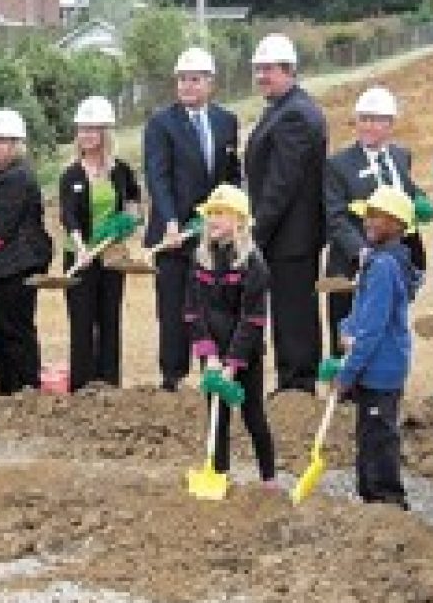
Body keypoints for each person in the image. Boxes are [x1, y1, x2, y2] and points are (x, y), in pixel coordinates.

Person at [143, 47, 240, 391]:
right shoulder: (161, 124)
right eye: (182, 79)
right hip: (172, 233)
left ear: (210, 83)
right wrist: (170, 220)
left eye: (194, 79)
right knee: (172, 306)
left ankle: (209, 371)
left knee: (209, 303)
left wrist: (230, 217)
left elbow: (230, 176)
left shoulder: (226, 122)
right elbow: (158, 176)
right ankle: (173, 376)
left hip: (209, 233)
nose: (187, 85)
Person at [245, 33, 327, 395]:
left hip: (291, 236)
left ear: (289, 70)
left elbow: (282, 184)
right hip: (288, 235)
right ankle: (294, 378)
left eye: (269, 69)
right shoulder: (284, 108)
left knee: (293, 312)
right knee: (289, 308)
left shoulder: (294, 115)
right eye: (258, 69)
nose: (262, 76)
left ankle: (298, 383)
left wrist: (255, 232)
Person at [324, 86, 428, 356]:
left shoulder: (401, 157)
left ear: (390, 124)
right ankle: (344, 394)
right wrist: (360, 251)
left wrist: (421, 202)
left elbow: (406, 193)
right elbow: (335, 217)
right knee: (348, 335)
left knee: (387, 328)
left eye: (376, 119)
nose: (368, 126)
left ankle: (383, 391)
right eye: (363, 119)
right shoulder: (338, 165)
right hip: (350, 268)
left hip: (394, 264)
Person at [334, 187, 422, 508]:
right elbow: (360, 312)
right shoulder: (375, 261)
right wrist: (346, 329)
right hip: (372, 365)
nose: (369, 222)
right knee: (368, 433)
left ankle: (388, 498)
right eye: (368, 216)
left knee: (379, 435)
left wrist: (348, 371)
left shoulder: (385, 266)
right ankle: (368, 496)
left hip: (381, 367)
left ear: (398, 225)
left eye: (378, 217)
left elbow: (373, 327)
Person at [185, 184, 275, 483]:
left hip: (243, 353)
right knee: (216, 416)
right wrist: (209, 355)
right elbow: (193, 311)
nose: (212, 220)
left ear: (239, 220)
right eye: (210, 214)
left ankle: (269, 478)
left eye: (220, 214)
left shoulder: (253, 263)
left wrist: (233, 363)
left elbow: (252, 319)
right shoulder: (201, 258)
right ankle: (218, 474)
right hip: (211, 350)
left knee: (253, 416)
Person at [59, 96, 141, 391]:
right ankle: (82, 384)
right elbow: (68, 215)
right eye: (82, 129)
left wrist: (129, 219)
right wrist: (81, 247)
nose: (86, 135)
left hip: (111, 256)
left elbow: (132, 199)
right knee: (81, 322)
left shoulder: (120, 169)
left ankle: (109, 382)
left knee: (109, 318)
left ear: (105, 133)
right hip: (79, 254)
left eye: (93, 129)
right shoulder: (71, 174)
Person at [0, 109, 52, 396]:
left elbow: (1, 226)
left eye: (1, 140)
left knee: (14, 329)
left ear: (16, 145)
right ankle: (9, 388)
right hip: (1, 266)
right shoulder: (3, 176)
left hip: (16, 266)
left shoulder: (17, 178)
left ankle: (25, 387)